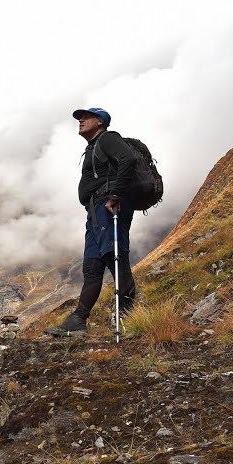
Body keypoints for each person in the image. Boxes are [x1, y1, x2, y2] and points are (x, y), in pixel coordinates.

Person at [45, 107, 139, 337]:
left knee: (114, 255)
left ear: (100, 122)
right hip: (96, 211)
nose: (81, 121)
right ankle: (78, 319)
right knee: (92, 267)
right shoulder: (92, 147)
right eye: (80, 118)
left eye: (86, 117)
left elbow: (128, 160)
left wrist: (115, 194)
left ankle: (128, 316)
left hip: (109, 205)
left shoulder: (108, 138)